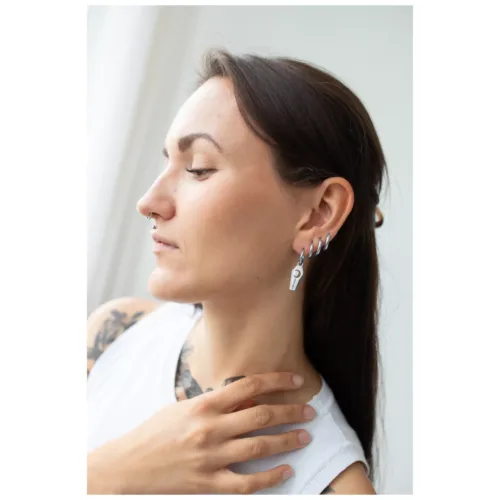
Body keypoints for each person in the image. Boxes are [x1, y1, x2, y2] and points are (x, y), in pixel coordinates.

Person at [87, 48, 386, 494]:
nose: (149, 202)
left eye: (198, 168)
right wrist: (105, 474)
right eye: (167, 163)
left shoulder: (331, 484)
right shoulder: (113, 335)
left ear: (319, 213)